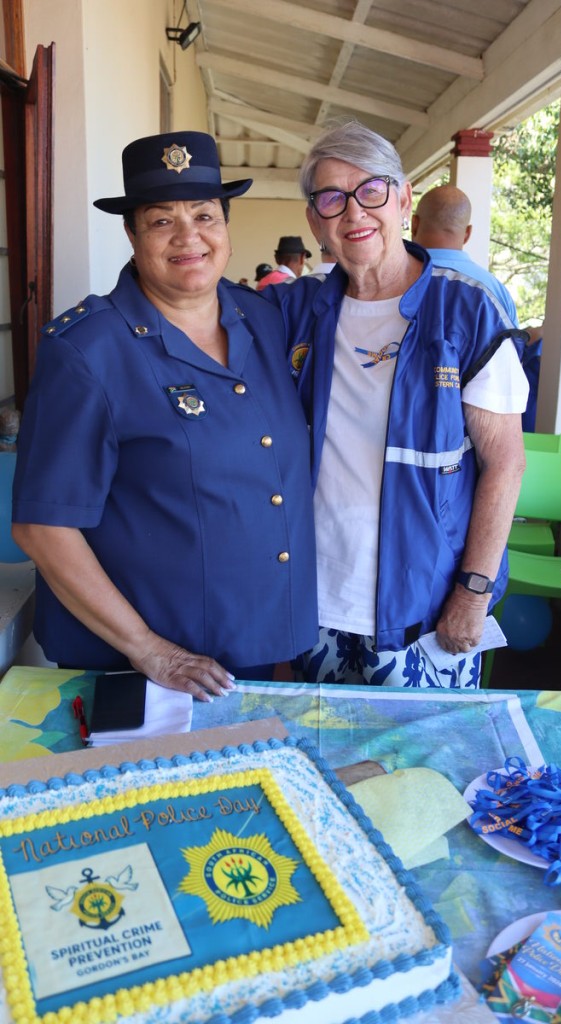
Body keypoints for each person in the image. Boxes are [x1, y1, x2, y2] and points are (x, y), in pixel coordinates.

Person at [11, 131, 318, 700]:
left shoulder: (265, 320)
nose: (189, 237)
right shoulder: (87, 350)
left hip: (253, 643)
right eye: (161, 221)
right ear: (131, 234)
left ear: (225, 227)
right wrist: (149, 648)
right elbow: (43, 525)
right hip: (137, 665)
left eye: (205, 215)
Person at [264, 120, 529, 689]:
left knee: (424, 768)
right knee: (321, 761)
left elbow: (506, 461)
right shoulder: (295, 310)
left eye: (372, 190)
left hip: (427, 606)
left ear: (404, 198)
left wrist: (474, 590)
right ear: (315, 222)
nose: (354, 212)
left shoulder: (468, 312)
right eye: (332, 198)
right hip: (318, 600)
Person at [411, 184, 517, 323]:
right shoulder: (495, 292)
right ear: (467, 233)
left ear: (414, 224)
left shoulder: (390, 279)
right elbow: (513, 343)